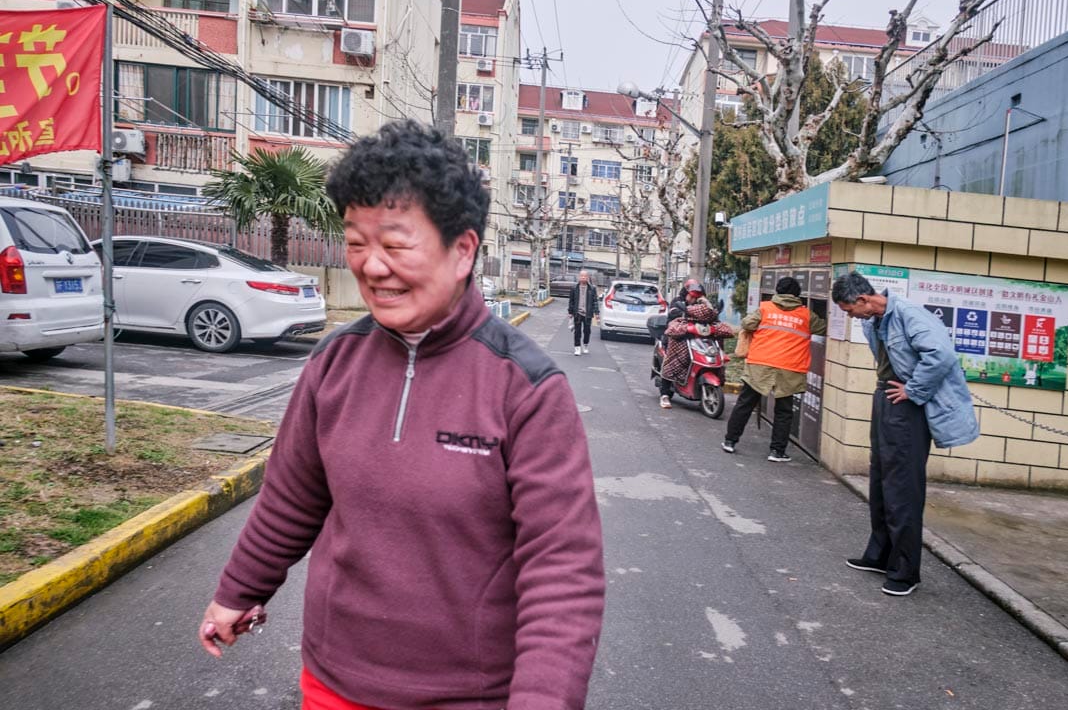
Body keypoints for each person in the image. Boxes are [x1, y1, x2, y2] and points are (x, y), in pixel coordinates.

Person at [198, 120, 606, 709]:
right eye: (356, 243)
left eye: (394, 245)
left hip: (470, 696)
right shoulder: (334, 364)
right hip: (334, 683)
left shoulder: (526, 388)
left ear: (462, 250)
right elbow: (291, 500)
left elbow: (562, 570)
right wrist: (238, 591)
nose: (371, 266)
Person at [832, 271, 978, 597]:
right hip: (886, 397)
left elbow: (941, 355)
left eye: (849, 310)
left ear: (862, 299)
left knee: (902, 487)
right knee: (880, 480)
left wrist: (914, 390)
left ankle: (905, 571)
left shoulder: (909, 314)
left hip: (907, 407)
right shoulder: (873, 321)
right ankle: (880, 555)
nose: (850, 316)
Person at [722, 276, 826, 462]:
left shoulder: (765, 309)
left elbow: (746, 324)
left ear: (777, 291)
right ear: (797, 294)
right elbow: (823, 328)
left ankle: (730, 441)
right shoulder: (806, 315)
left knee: (745, 404)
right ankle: (777, 452)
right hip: (789, 367)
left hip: (760, 364)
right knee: (784, 411)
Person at [658, 279, 733, 409]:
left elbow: (713, 318)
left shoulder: (703, 305)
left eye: (697, 296)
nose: (693, 299)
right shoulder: (678, 302)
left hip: (699, 340)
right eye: (691, 296)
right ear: (685, 293)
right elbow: (673, 317)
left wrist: (707, 304)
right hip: (679, 337)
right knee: (675, 361)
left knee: (717, 355)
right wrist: (686, 323)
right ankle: (664, 394)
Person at [567, 269, 599, 355]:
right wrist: (570, 312)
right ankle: (577, 348)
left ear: (588, 277)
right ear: (579, 277)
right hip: (577, 313)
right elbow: (571, 301)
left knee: (587, 331)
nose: (583, 277)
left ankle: (585, 345)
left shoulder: (592, 288)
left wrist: (597, 313)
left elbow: (595, 301)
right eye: (582, 276)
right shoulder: (574, 288)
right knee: (577, 332)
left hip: (588, 314)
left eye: (585, 276)